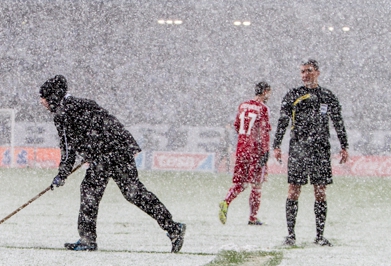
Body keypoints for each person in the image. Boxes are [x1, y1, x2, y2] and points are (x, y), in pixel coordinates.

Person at [39, 75, 185, 252]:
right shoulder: (84, 103)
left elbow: (68, 148)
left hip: (105, 156)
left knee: (90, 191)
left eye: (44, 98)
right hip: (119, 151)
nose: (42, 102)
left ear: (54, 96)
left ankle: (87, 240)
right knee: (134, 192)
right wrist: (114, 146)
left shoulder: (63, 112)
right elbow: (107, 124)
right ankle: (172, 227)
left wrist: (62, 174)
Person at [272, 60, 349, 246]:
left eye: (309, 71)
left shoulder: (327, 96)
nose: (305, 74)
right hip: (299, 148)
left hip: (320, 149)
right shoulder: (293, 95)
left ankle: (320, 236)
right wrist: (276, 145)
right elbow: (282, 121)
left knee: (320, 192)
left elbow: (338, 121)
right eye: (302, 71)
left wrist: (344, 145)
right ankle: (290, 235)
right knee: (293, 191)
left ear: (318, 73)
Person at [219, 81, 272, 225]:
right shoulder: (263, 109)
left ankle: (226, 201)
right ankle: (253, 218)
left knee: (240, 183)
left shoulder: (243, 106)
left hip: (241, 149)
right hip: (255, 150)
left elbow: (236, 126)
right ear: (265, 91)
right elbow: (263, 132)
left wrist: (245, 139)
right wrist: (265, 151)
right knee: (256, 185)